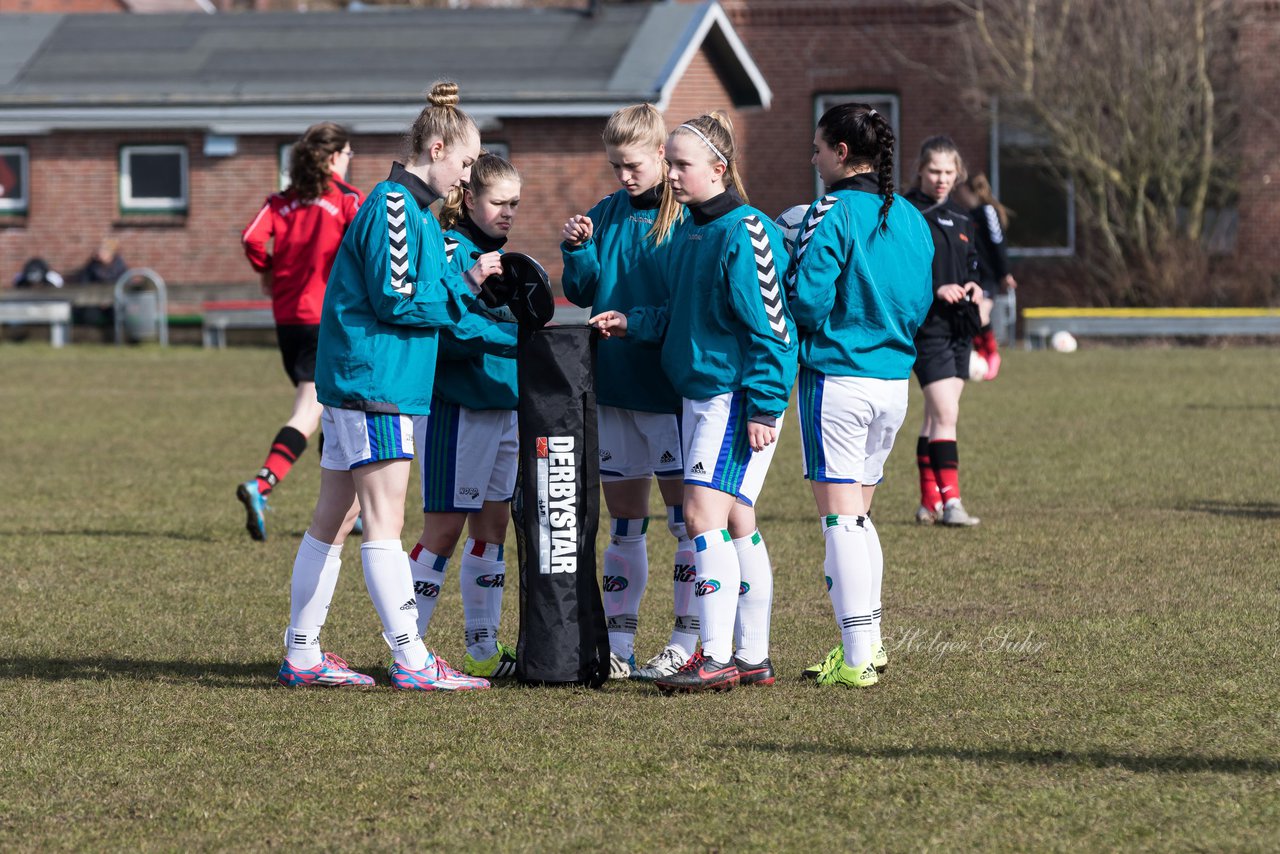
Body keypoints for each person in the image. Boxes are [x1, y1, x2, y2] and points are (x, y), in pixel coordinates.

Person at [276, 82, 515, 692]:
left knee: (335, 517)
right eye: (464, 164)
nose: (466, 178)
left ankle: (302, 652)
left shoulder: (412, 212)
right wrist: (463, 284)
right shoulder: (395, 208)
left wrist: (465, 281)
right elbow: (400, 299)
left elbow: (420, 293)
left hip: (369, 381)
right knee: (382, 521)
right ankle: (411, 657)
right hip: (376, 381)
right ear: (436, 148)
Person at [591, 112, 797, 693]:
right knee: (732, 520)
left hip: (731, 397)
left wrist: (763, 405)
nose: (673, 176)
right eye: (672, 163)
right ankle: (751, 656)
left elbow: (774, 332)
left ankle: (716, 654)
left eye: (682, 165)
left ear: (719, 169)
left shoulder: (746, 230)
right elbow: (684, 316)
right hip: (701, 397)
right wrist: (635, 322)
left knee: (702, 518)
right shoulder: (693, 231)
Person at [785, 103, 934, 687]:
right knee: (860, 518)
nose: (813, 157)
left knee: (840, 523)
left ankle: (854, 657)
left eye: (818, 148)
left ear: (841, 153)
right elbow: (916, 302)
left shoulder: (831, 210)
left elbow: (806, 302)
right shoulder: (912, 218)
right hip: (894, 384)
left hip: (838, 378)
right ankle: (868, 646)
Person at [560, 104, 697, 681]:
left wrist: (635, 323)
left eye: (632, 165)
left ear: (662, 156)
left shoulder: (686, 219)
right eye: (615, 165)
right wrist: (578, 250)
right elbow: (582, 289)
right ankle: (619, 646)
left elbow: (688, 309)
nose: (623, 176)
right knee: (624, 523)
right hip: (612, 387)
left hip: (665, 390)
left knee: (687, 521)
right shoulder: (606, 213)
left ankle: (689, 640)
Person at [408, 153, 522, 679]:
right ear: (470, 198)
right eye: (498, 202)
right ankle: (408, 649)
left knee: (493, 527)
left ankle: (483, 647)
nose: (507, 214)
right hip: (458, 410)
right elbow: (446, 333)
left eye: (515, 204)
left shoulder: (505, 258)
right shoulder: (450, 249)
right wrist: (513, 339)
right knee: (444, 530)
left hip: (505, 409)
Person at [236, 122, 363, 542]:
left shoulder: (279, 202)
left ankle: (350, 509)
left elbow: (252, 238)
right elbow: (368, 248)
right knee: (312, 410)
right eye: (347, 153)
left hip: (287, 319)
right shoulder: (347, 201)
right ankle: (262, 484)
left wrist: (269, 270)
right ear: (332, 158)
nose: (351, 160)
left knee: (337, 408)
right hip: (327, 320)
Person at [905, 135, 983, 527]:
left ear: (958, 174)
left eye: (949, 172)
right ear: (919, 169)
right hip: (928, 328)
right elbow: (898, 273)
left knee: (937, 417)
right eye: (934, 170)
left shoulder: (964, 216)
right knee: (946, 413)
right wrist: (934, 289)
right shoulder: (904, 212)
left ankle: (927, 502)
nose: (941, 178)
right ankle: (952, 502)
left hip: (959, 329)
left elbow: (972, 264)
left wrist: (975, 284)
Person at [958, 172, 1017, 379]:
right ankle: (980, 356)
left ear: (969, 190)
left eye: (961, 189)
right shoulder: (967, 214)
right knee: (971, 317)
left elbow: (998, 243)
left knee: (981, 315)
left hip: (988, 276)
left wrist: (1005, 273)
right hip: (971, 277)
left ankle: (991, 355)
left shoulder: (987, 211)